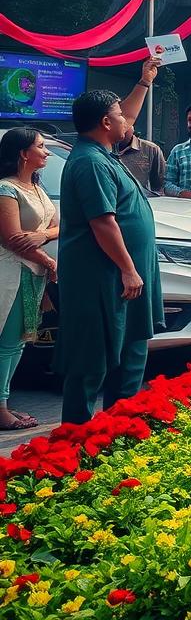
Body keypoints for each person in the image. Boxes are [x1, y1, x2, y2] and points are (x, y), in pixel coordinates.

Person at [56, 59, 165, 425]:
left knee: (129, 352)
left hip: (120, 280)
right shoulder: (90, 162)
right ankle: (77, 437)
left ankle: (119, 428)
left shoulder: (102, 152)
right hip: (105, 278)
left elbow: (127, 116)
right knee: (92, 359)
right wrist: (130, 270)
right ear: (105, 123)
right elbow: (103, 224)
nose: (125, 121)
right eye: (118, 115)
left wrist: (145, 81)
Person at [0, 129, 58, 431]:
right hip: (11, 273)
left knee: (19, 342)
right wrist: (47, 259)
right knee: (7, 343)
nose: (46, 152)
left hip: (32, 273)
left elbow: (56, 226)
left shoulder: (36, 187)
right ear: (24, 153)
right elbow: (12, 239)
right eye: (41, 146)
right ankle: (1, 407)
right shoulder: (6, 189)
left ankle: (4, 404)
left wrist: (41, 236)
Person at [114, 125, 166, 195]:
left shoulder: (150, 149)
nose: (123, 128)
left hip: (141, 200)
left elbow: (160, 188)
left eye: (126, 124)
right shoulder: (99, 150)